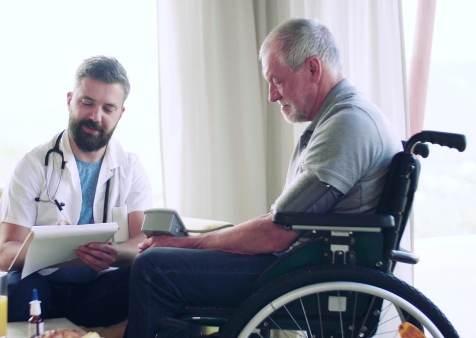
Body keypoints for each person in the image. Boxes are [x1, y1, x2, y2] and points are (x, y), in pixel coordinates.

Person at [123, 18, 401, 337]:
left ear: (313, 69)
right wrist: (198, 244)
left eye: (277, 81)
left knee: (154, 267)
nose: (272, 96)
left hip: (307, 274)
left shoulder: (347, 126)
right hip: (308, 264)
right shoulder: (344, 118)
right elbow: (284, 218)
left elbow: (277, 233)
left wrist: (191, 243)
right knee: (171, 258)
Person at [0, 55, 153, 328]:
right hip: (39, 286)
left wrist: (117, 253)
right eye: (87, 103)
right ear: (70, 100)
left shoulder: (130, 167)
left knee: (148, 276)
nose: (96, 117)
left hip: (93, 292)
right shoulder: (33, 164)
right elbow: (6, 255)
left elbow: (141, 240)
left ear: (121, 113)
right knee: (24, 288)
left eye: (108, 108)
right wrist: (47, 244)